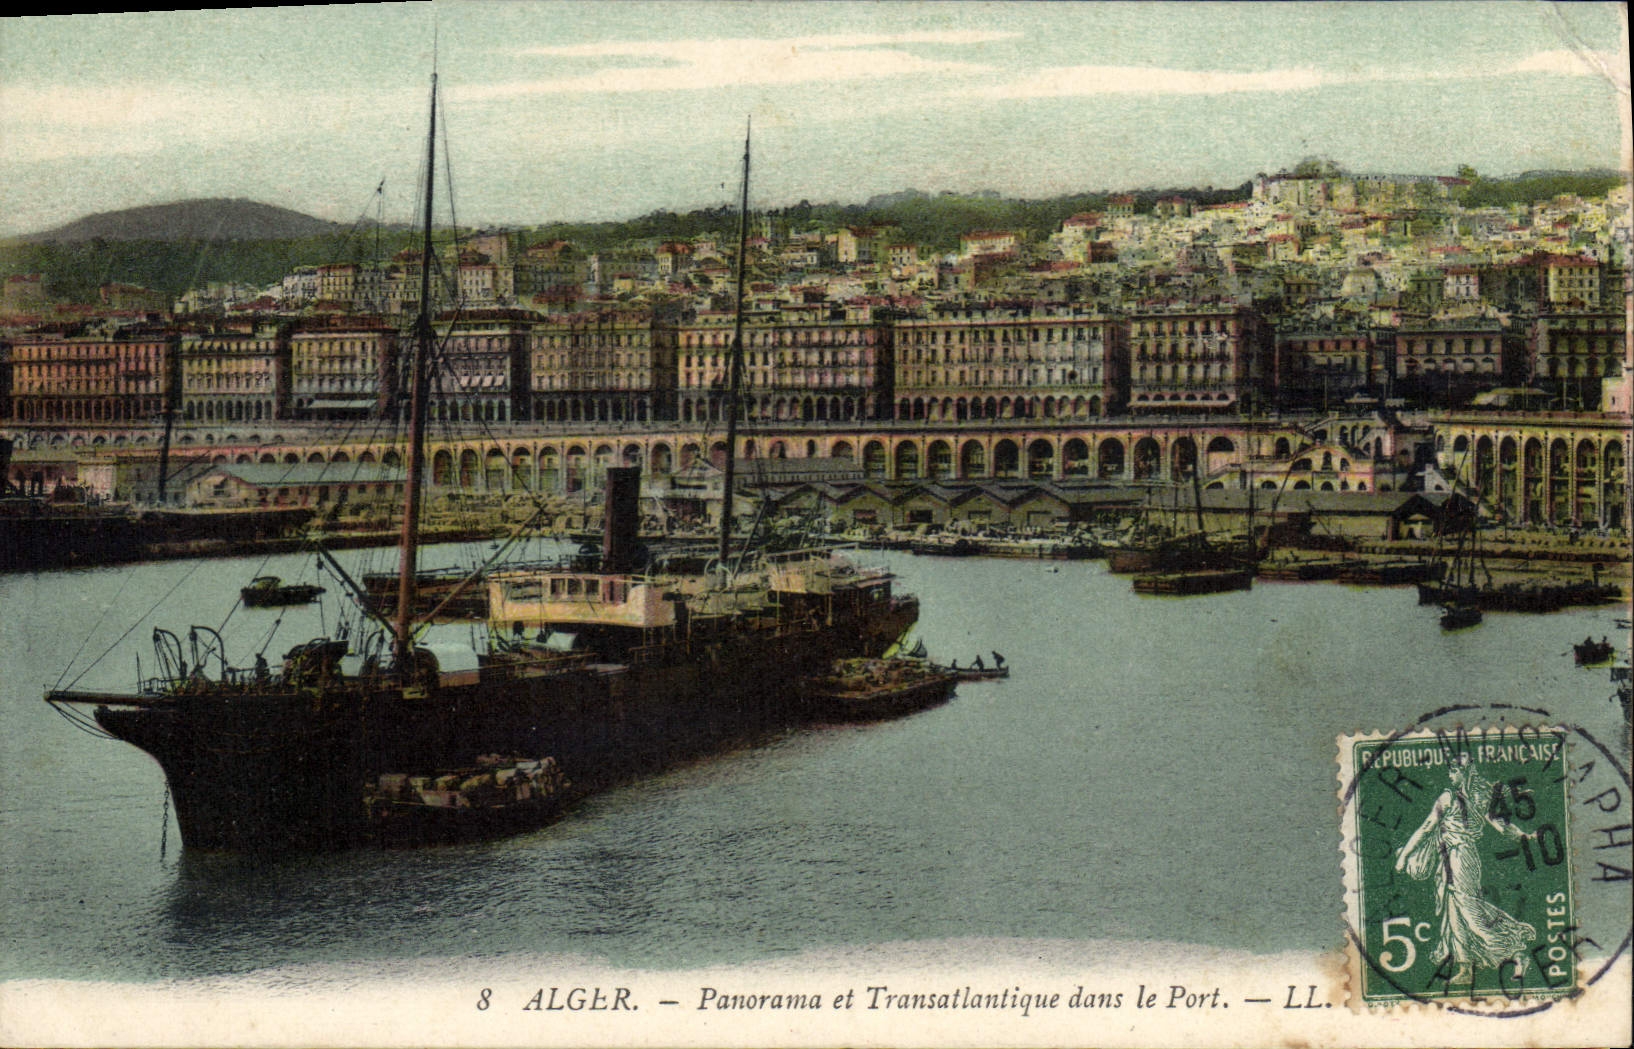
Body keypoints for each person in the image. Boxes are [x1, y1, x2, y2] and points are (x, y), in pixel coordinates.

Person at [1394, 754, 1534, 986]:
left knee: (1470, 911)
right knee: (1454, 913)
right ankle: (1465, 968)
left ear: (1464, 772)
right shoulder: (1479, 799)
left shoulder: (1449, 798)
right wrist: (1523, 835)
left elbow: (1426, 828)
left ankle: (1516, 953)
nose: (1450, 776)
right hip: (1459, 858)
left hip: (1459, 858)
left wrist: (1404, 856)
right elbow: (1502, 826)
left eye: (1453, 771)